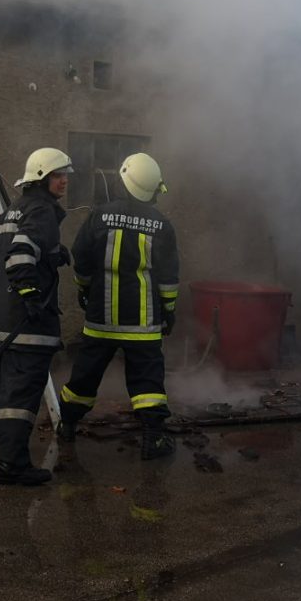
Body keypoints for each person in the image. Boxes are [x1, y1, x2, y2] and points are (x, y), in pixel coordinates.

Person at [58, 153, 179, 460]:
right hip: (143, 322)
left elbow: (81, 258)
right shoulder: (161, 225)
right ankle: (153, 439)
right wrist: (169, 309)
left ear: (124, 181)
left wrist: (84, 290)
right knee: (147, 380)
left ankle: (67, 425)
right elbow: (168, 275)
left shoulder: (99, 216)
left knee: (85, 375)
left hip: (101, 318)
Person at [0, 147, 73, 486]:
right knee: (20, 398)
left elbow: (12, 250)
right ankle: (12, 465)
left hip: (0, 321)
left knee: (2, 397)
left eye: (65, 175)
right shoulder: (42, 211)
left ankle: (1, 453)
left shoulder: (12, 210)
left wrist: (53, 253)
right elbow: (19, 255)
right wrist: (31, 294)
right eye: (57, 175)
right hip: (26, 326)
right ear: (40, 178)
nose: (64, 181)